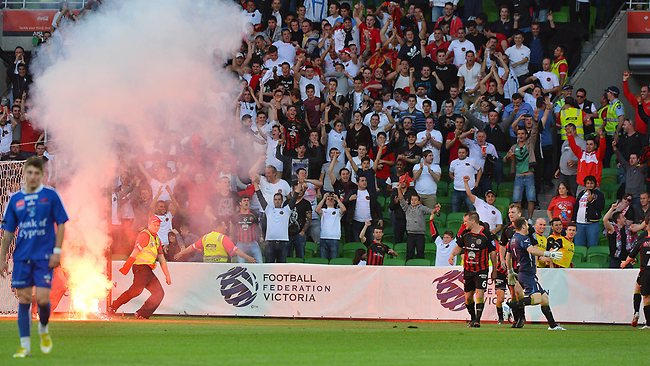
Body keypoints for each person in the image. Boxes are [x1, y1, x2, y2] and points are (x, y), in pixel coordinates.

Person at [0, 157, 68, 358]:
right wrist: (3, 256)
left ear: (41, 175)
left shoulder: (51, 197)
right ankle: (25, 344)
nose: (32, 176)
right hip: (22, 256)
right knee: (24, 299)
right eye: (29, 173)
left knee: (43, 298)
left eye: (36, 173)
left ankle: (43, 328)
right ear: (25, 175)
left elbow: (62, 224)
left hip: (44, 256)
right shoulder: (15, 200)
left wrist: (57, 252)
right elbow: (8, 233)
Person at [506, 217, 565, 330]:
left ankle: (553, 326)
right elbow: (531, 250)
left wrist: (510, 271)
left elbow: (508, 255)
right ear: (523, 226)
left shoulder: (513, 239)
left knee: (544, 299)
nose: (528, 227)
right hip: (527, 272)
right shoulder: (523, 238)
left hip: (523, 271)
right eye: (527, 225)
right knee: (537, 298)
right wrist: (548, 254)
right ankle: (509, 306)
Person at [110, 216, 171, 320]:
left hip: (147, 269)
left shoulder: (156, 239)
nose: (156, 227)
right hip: (141, 268)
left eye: (158, 225)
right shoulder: (145, 235)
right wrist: (126, 266)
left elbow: (161, 258)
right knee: (136, 291)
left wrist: (167, 275)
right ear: (149, 225)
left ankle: (141, 313)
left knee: (158, 293)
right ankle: (114, 307)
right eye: (154, 225)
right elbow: (135, 251)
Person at [448, 212, 497, 327]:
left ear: (473, 221)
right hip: (468, 270)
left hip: (481, 270)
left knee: (480, 294)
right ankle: (473, 318)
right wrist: (451, 255)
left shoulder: (486, 234)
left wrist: (494, 269)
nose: (464, 224)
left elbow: (493, 253)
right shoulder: (465, 234)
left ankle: (477, 321)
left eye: (465, 221)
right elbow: (458, 247)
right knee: (468, 297)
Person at [174, 221, 256, 263]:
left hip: (208, 268)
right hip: (220, 267)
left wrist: (180, 253)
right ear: (218, 227)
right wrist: (248, 258)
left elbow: (192, 248)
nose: (226, 228)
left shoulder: (205, 237)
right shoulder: (223, 238)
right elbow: (236, 251)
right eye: (224, 226)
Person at [620, 216, 650, 328]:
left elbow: (632, 254)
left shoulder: (643, 240)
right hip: (645, 271)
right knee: (639, 289)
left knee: (645, 296)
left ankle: (640, 315)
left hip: (645, 271)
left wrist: (625, 263)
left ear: (646, 225)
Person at [254, 179, 293, 263]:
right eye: (275, 199)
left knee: (282, 267)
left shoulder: (287, 210)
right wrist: (255, 184)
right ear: (273, 200)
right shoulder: (268, 210)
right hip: (270, 243)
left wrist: (300, 184)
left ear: (282, 200)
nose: (277, 201)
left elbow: (295, 197)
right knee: (269, 266)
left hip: (283, 243)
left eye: (279, 199)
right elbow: (260, 197)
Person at [398, 185, 434, 260]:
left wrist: (436, 209)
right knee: (409, 252)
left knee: (420, 252)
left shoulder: (422, 208)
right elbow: (401, 199)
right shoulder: (407, 208)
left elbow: (431, 211)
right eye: (412, 200)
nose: (413, 201)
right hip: (410, 234)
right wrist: (399, 189)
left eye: (415, 200)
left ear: (418, 201)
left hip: (420, 235)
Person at [573, 175, 605, 247]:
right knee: (579, 245)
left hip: (592, 223)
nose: (589, 185)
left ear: (595, 184)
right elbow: (576, 207)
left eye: (591, 183)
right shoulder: (581, 193)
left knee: (592, 245)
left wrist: (592, 201)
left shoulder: (599, 194)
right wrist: (573, 219)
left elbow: (601, 207)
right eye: (588, 183)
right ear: (585, 184)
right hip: (579, 222)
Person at [604, 202, 638, 269]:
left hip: (627, 260)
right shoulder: (612, 229)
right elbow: (605, 220)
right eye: (623, 217)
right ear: (618, 220)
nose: (625, 218)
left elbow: (641, 226)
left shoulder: (629, 229)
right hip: (615, 260)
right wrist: (612, 208)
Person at [316, 192, 346, 260]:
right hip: (324, 237)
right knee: (323, 260)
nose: (330, 200)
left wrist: (337, 199)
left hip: (334, 238)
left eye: (331, 199)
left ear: (334, 202)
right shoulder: (323, 211)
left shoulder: (338, 211)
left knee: (334, 260)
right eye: (328, 199)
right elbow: (317, 210)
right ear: (325, 202)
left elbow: (344, 209)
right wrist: (324, 198)